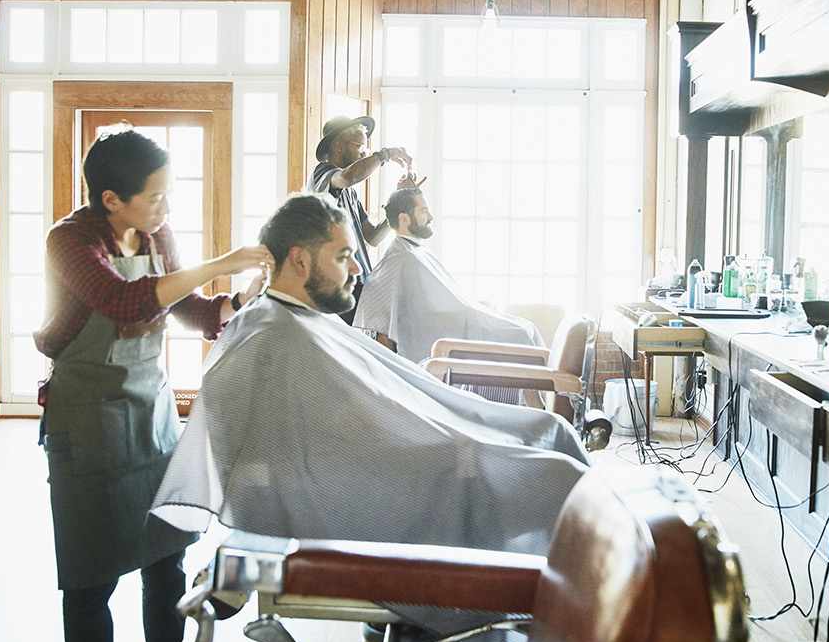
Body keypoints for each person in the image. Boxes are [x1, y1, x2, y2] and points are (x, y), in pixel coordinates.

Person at [151, 192, 588, 559]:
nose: (358, 269)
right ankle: (577, 627)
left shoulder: (297, 319)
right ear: (300, 261)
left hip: (393, 459)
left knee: (549, 428)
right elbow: (301, 456)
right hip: (365, 487)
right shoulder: (270, 335)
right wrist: (452, 445)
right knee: (555, 478)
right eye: (343, 257)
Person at [34, 129, 272, 642]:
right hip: (85, 417)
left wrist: (233, 304)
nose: (165, 208)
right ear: (111, 199)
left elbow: (184, 307)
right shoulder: (70, 241)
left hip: (151, 412)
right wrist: (222, 261)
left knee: (166, 555)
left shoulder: (158, 234)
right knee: (91, 579)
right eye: (155, 197)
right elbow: (123, 300)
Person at [354, 186, 545, 363]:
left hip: (461, 320)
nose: (430, 217)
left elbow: (445, 298)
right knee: (522, 334)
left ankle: (548, 398)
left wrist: (474, 306)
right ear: (404, 219)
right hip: (445, 334)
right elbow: (379, 319)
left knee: (528, 329)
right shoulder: (399, 259)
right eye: (423, 211)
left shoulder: (416, 252)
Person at [305, 115, 418, 322]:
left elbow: (373, 237)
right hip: (335, 286)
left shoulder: (351, 193)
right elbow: (348, 177)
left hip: (359, 284)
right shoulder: (322, 174)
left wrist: (398, 202)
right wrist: (385, 155)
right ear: (338, 146)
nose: (364, 153)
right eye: (360, 147)